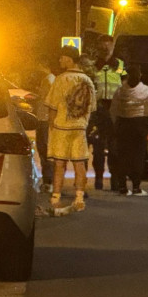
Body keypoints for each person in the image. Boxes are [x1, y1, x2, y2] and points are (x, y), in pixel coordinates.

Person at [44, 46, 96, 212]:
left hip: (62, 127)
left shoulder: (61, 79)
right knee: (80, 163)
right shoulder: (87, 80)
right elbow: (91, 107)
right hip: (80, 127)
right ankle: (79, 197)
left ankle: (56, 197)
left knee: (60, 164)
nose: (60, 60)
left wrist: (51, 126)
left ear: (69, 59)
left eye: (62, 57)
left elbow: (52, 106)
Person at [111, 63, 148, 196]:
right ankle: (136, 187)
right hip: (140, 125)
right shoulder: (146, 90)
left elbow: (114, 110)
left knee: (123, 156)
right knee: (138, 156)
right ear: (140, 75)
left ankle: (122, 187)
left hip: (123, 125)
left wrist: (116, 124)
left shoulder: (120, 91)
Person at [90, 36, 126, 190]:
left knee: (114, 147)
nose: (105, 49)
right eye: (103, 46)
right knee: (98, 147)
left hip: (114, 109)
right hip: (98, 109)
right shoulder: (93, 66)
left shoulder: (119, 64)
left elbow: (125, 83)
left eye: (108, 46)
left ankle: (115, 179)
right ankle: (99, 177)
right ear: (99, 47)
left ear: (112, 47)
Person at [32, 60, 57, 192]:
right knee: (42, 150)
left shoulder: (50, 80)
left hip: (46, 120)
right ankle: (48, 181)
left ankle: (50, 181)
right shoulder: (47, 80)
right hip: (42, 119)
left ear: (44, 65)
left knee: (46, 151)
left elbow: (51, 100)